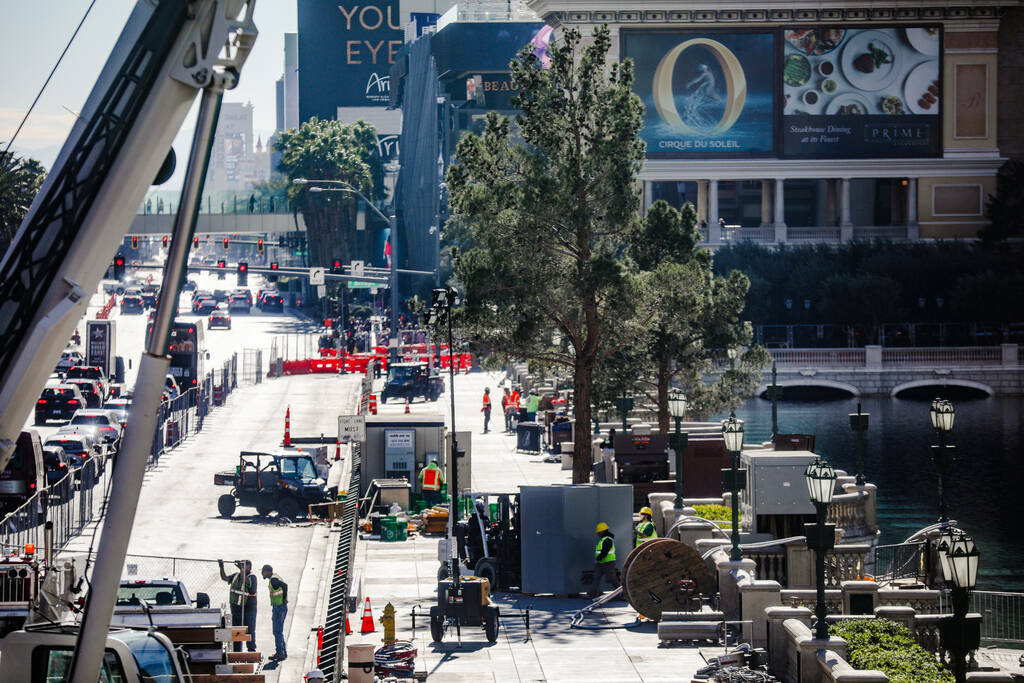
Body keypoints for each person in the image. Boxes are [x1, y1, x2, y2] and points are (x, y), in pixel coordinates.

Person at [219, 559, 258, 653]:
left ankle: (251, 650)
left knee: (250, 629)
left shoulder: (252, 577)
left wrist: (243, 571)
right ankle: (237, 651)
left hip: (249, 608)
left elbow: (248, 584)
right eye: (242, 565)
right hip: (236, 607)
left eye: (245, 565)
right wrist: (221, 567)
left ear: (249, 567)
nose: (242, 566)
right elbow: (224, 578)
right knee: (237, 629)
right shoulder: (236, 576)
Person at [262, 564, 288, 661]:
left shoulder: (273, 580)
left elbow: (285, 586)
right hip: (280, 607)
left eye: (263, 572)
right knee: (278, 631)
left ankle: (280, 653)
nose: (262, 574)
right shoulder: (275, 577)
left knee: (277, 631)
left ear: (268, 571)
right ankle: (282, 652)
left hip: (279, 608)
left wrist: (284, 598)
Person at [588, 522, 619, 599]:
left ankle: (622, 593)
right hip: (601, 563)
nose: (598, 533)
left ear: (603, 531)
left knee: (611, 579)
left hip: (608, 563)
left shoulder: (607, 540)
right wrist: (598, 560)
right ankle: (591, 594)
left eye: (599, 531)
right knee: (596, 578)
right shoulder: (603, 539)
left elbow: (605, 552)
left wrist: (598, 559)